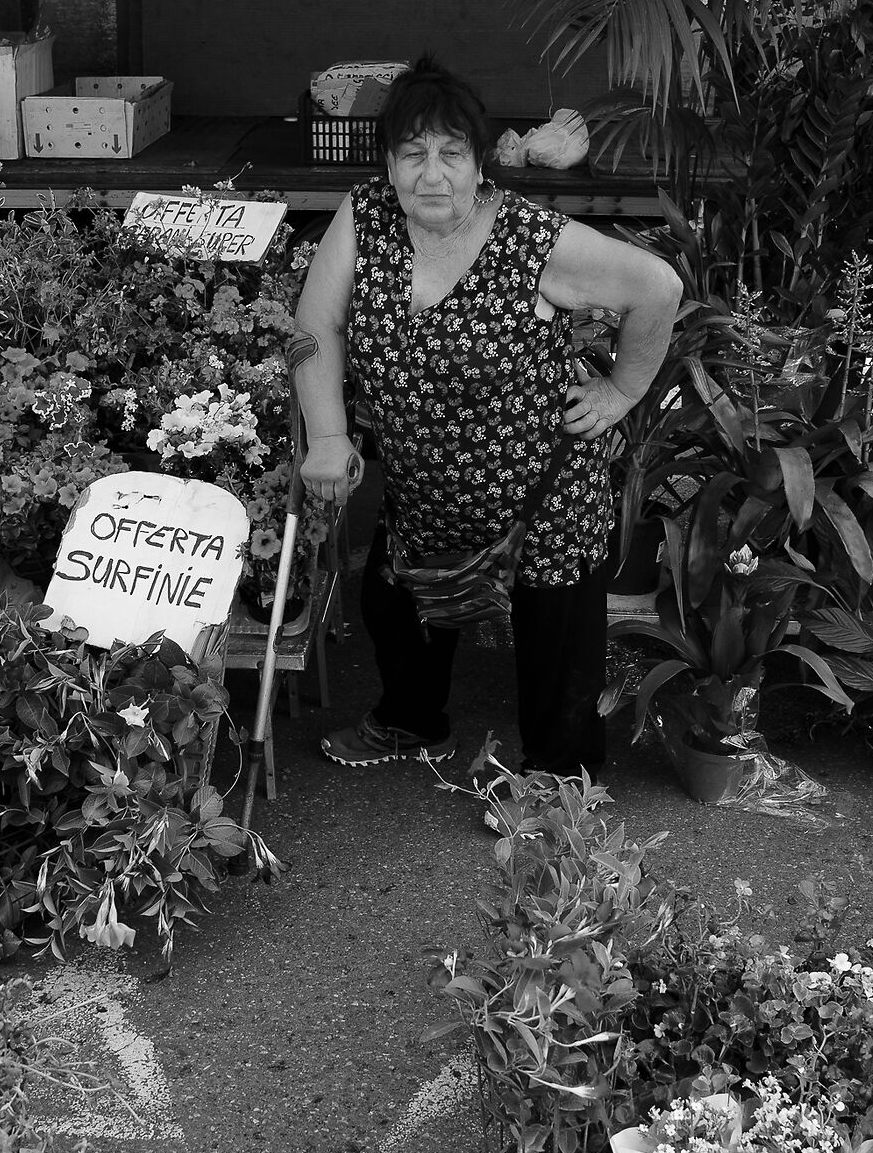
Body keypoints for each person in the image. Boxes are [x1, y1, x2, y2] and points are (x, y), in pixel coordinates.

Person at [293, 54, 684, 776]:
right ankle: (412, 722)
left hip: (538, 497)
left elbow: (657, 287)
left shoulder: (531, 240)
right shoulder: (367, 216)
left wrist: (621, 393)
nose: (431, 174)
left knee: (555, 644)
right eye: (412, 155)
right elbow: (318, 327)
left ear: (480, 164)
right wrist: (327, 434)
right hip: (421, 493)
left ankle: (560, 780)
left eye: (451, 154)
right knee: (395, 607)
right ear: (389, 163)